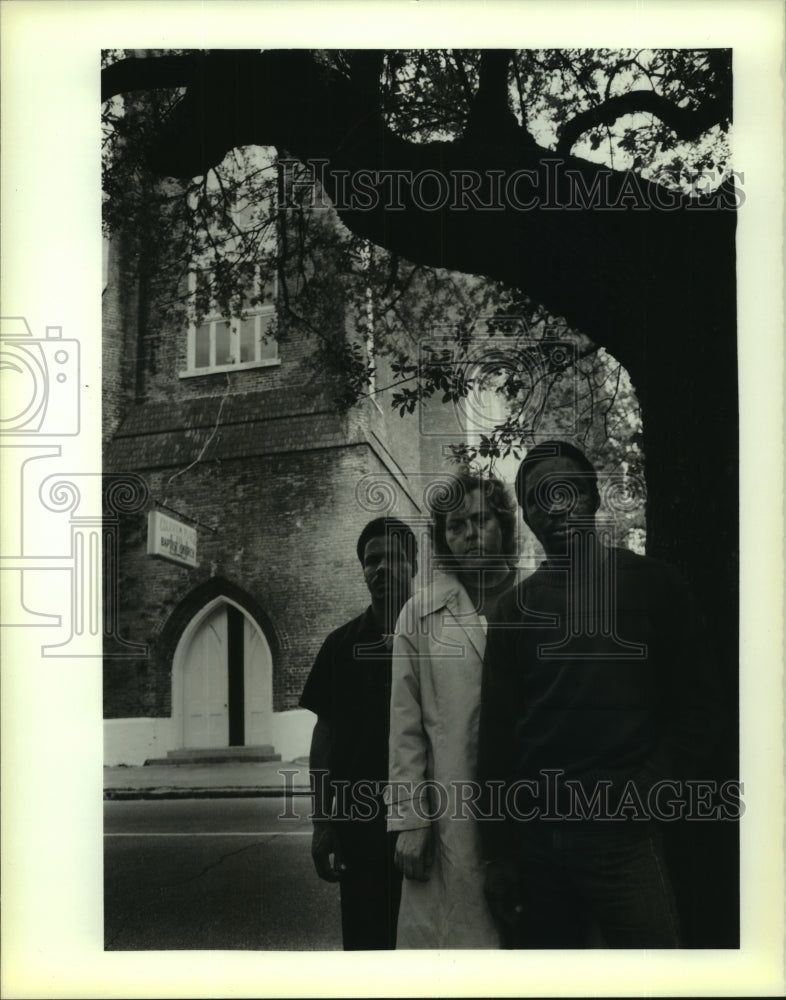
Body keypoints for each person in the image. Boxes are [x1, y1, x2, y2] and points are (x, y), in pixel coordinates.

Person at [478, 441, 723, 948]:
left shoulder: (654, 586)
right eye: (535, 499)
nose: (552, 507)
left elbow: (700, 708)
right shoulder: (513, 611)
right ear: (525, 516)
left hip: (627, 843)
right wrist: (499, 854)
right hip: (538, 843)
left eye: (565, 491)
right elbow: (498, 740)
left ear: (592, 497)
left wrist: (648, 791)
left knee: (653, 979)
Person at [386, 471, 518, 948]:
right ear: (442, 538)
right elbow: (405, 726)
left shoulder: (538, 599)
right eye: (455, 526)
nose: (469, 534)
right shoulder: (418, 615)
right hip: (451, 811)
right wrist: (410, 819)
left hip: (535, 805)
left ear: (502, 524)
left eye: (480, 519)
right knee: (459, 946)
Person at [299, 516, 418, 950]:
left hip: (429, 823)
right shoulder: (340, 646)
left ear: (414, 564)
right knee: (368, 949)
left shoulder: (437, 639)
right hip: (360, 828)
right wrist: (323, 823)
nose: (380, 568)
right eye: (371, 561)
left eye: (392, 558)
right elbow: (324, 737)